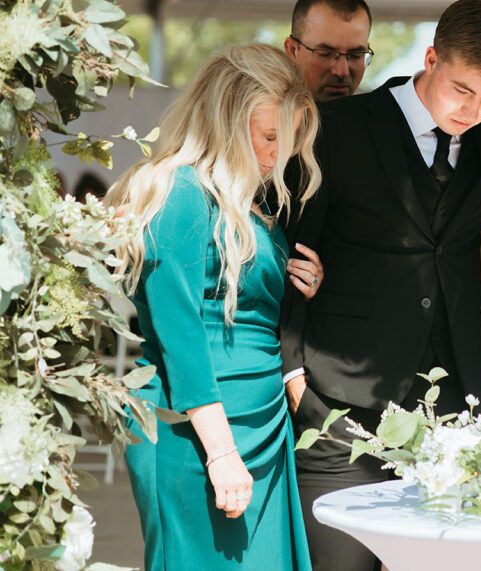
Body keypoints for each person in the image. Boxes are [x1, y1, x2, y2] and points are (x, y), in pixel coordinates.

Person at [279, 0, 481, 571]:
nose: (474, 110)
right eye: (463, 90)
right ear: (432, 58)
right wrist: (293, 368)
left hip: (454, 406)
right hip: (338, 402)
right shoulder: (336, 127)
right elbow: (290, 250)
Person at [108, 44, 323, 570]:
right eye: (268, 135)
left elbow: (250, 305)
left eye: (288, 141)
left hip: (264, 418)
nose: (278, 155)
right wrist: (222, 451)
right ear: (225, 115)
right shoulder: (177, 190)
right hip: (196, 426)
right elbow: (180, 333)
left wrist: (301, 285)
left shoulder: (251, 200)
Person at [284, 0, 373, 102]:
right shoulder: (263, 115)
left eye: (356, 55)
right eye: (325, 54)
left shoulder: (386, 117)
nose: (342, 72)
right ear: (292, 50)